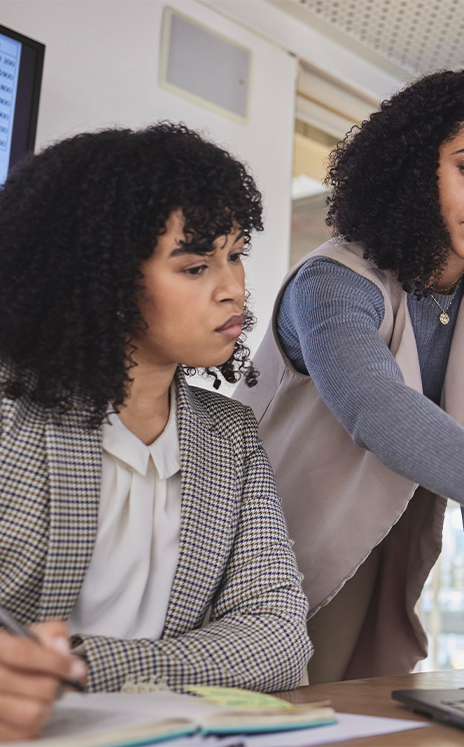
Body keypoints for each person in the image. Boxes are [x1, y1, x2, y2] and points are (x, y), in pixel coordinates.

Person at [237, 70, 464, 681]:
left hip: (387, 547)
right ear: (414, 168)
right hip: (277, 556)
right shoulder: (332, 281)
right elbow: (374, 406)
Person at [0, 123, 312, 741]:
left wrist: (82, 666)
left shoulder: (230, 434)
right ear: (104, 280)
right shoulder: (11, 409)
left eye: (236, 253)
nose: (234, 289)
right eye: (196, 266)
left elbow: (279, 637)